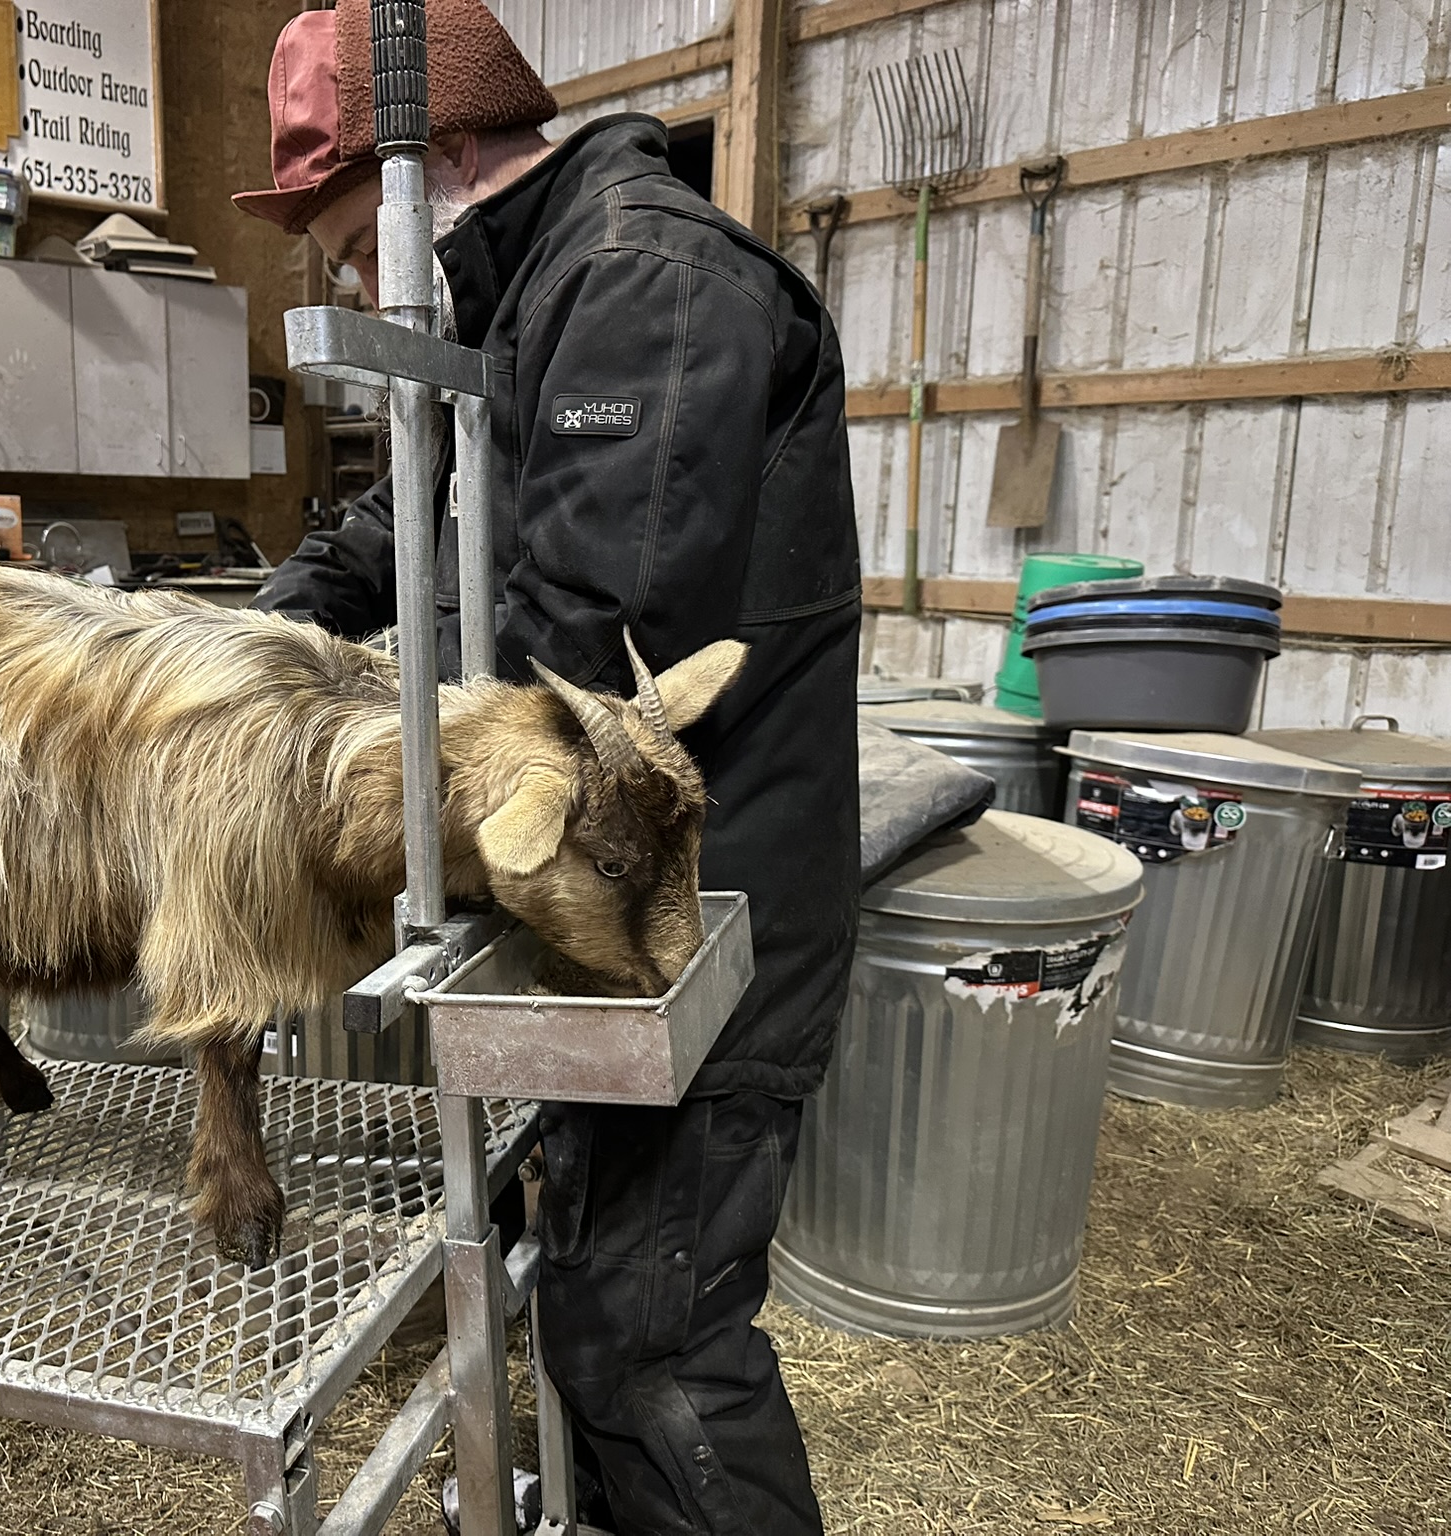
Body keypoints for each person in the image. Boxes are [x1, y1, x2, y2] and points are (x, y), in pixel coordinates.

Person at [233, 3, 860, 1531]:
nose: (345, 278)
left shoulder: (642, 285)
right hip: (606, 900)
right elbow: (424, 507)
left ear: (436, 160)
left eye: (345, 245)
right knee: (586, 1281)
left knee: (649, 1338)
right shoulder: (537, 302)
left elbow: (588, 654)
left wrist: (350, 771)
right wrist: (251, 638)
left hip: (688, 903)